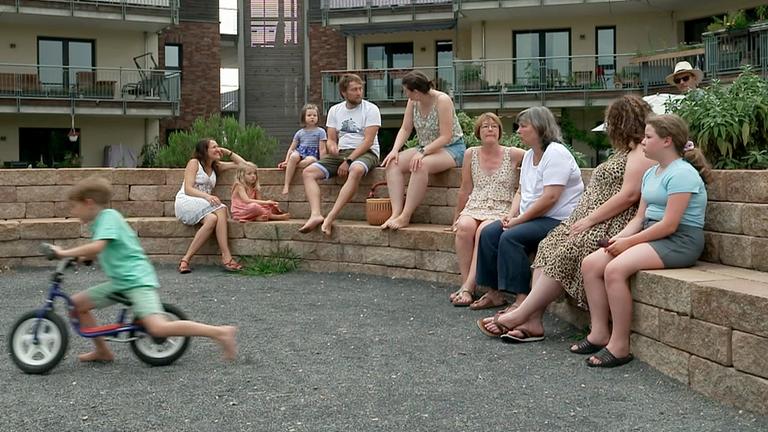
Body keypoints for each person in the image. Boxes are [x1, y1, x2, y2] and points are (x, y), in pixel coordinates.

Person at [476, 95, 655, 340]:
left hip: (611, 222)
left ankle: (521, 314)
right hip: (588, 217)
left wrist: (589, 220)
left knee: (566, 250)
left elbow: (629, 195)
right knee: (548, 246)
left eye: (611, 121)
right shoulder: (623, 152)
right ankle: (534, 321)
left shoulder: (639, 152)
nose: (609, 127)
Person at [51, 176, 237, 363]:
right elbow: (97, 251)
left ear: (88, 203)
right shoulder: (99, 223)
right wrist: (78, 258)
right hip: (121, 282)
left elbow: (97, 247)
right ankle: (102, 351)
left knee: (158, 328)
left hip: (136, 280)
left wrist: (64, 253)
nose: (72, 211)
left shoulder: (108, 217)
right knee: (77, 304)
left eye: (74, 206)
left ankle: (219, 332)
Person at [578, 114, 711, 368]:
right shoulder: (651, 173)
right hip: (654, 234)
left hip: (680, 240)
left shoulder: (683, 174)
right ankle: (599, 333)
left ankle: (619, 346)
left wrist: (629, 244)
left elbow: (670, 225)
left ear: (667, 141)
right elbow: (640, 218)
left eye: (648, 137)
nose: (643, 142)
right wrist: (618, 239)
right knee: (591, 264)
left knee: (614, 270)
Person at [471, 106, 584, 311]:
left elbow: (550, 198)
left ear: (539, 128)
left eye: (523, 126)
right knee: (489, 233)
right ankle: (494, 293)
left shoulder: (556, 154)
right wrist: (510, 215)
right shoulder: (530, 155)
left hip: (558, 219)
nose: (518, 131)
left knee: (511, 237)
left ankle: (522, 299)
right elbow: (521, 191)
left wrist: (519, 221)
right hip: (533, 217)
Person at [448, 113, 525, 307]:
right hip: (475, 204)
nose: (490, 129)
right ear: (478, 132)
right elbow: (465, 188)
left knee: (484, 231)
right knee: (464, 227)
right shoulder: (470, 154)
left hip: (501, 207)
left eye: (494, 126)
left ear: (499, 131)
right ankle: (467, 285)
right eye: (485, 126)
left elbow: (538, 156)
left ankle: (467, 287)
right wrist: (456, 216)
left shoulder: (513, 153)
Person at [380, 70, 466, 230]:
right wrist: (395, 150)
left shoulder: (442, 100)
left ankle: (405, 216)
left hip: (451, 148)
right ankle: (396, 213)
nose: (405, 94)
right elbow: (405, 128)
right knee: (393, 164)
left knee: (420, 165)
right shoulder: (413, 102)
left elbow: (446, 136)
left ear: (416, 92)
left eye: (406, 91)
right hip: (425, 146)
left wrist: (423, 152)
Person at [299, 73, 381, 236]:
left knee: (356, 169)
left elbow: (368, 141)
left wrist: (348, 161)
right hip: (342, 153)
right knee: (308, 172)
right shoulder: (335, 110)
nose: (359, 92)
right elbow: (331, 139)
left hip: (366, 152)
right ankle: (315, 215)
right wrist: (332, 147)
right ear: (344, 92)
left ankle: (330, 217)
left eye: (360, 89)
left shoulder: (371, 109)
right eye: (354, 90)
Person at [174, 138, 246, 274]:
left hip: (203, 205)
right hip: (186, 201)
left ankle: (185, 260)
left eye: (218, 146)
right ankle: (226, 257)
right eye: (214, 147)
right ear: (204, 151)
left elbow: (245, 165)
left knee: (212, 219)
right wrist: (207, 196)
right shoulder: (194, 163)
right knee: (221, 208)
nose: (218, 149)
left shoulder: (217, 166)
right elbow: (188, 189)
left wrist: (228, 152)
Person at [278, 103, 327, 195]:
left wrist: (323, 162)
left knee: (311, 160)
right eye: (309, 115)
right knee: (293, 156)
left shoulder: (321, 132)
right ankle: (286, 185)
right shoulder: (300, 133)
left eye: (314, 115)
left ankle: (291, 166)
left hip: (312, 154)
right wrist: (286, 160)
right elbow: (291, 148)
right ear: (304, 117)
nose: (312, 117)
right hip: (301, 152)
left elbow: (322, 149)